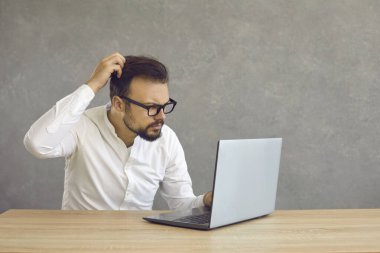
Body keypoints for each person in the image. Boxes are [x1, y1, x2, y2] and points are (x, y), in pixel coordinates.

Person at [24, 52, 212, 210]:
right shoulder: (83, 126)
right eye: (152, 107)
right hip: (82, 243)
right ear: (119, 104)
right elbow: (37, 145)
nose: (161, 116)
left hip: (137, 244)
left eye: (165, 106)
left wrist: (207, 200)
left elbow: (181, 204)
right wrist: (93, 85)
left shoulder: (167, 139)